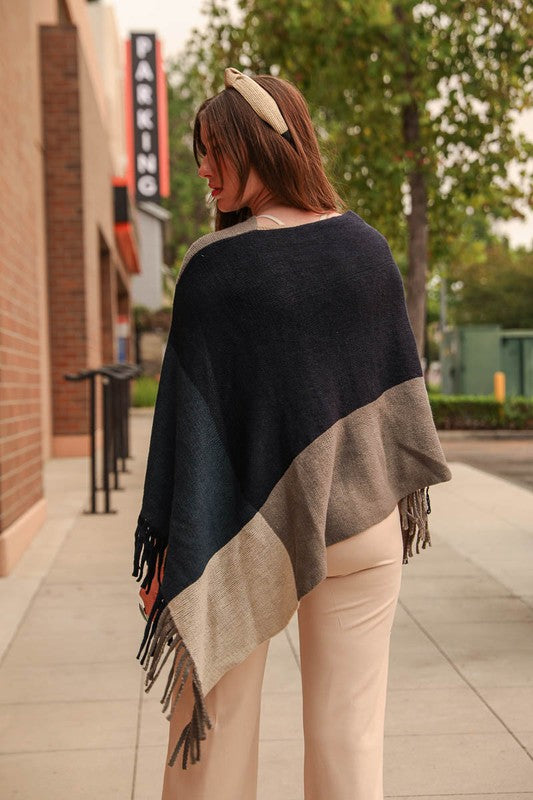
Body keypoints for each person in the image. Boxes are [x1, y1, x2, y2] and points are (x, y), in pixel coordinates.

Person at [132, 67, 452, 800]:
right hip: (363, 526)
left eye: (215, 151)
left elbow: (187, 431)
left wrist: (171, 545)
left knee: (212, 737)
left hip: (243, 536)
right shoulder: (368, 250)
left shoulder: (212, 269)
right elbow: (394, 403)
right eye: (199, 154)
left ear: (261, 146)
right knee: (350, 743)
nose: (204, 170)